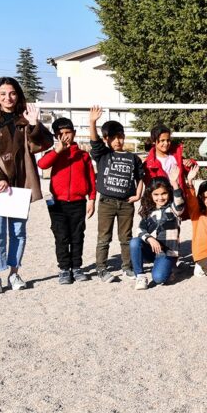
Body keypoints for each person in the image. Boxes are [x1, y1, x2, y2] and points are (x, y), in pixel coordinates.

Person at [0, 77, 53, 294]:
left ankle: (15, 272)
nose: (8, 98)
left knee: (18, 231)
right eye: (3, 94)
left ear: (17, 94)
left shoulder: (24, 119)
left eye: (12, 93)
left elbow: (43, 144)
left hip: (20, 182)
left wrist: (35, 123)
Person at [88, 105, 143, 283]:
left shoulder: (133, 158)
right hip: (106, 202)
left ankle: (127, 266)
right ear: (106, 139)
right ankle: (101, 269)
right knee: (104, 237)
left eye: (120, 137)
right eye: (113, 138)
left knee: (126, 237)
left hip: (126, 203)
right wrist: (92, 121)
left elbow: (140, 177)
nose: (117, 141)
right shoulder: (103, 154)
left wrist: (138, 195)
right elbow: (94, 141)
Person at [38, 117, 95, 285]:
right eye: (61, 134)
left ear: (74, 133)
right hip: (57, 203)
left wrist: (91, 199)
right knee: (61, 236)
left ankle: (76, 267)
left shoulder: (83, 155)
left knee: (77, 235)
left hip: (78, 202)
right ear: (56, 136)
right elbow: (42, 165)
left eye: (68, 133)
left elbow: (91, 178)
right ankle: (64, 269)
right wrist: (58, 150)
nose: (65, 137)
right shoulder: (54, 154)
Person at [130, 172, 188, 289]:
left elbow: (179, 204)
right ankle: (140, 276)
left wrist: (175, 184)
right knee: (134, 242)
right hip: (152, 249)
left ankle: (170, 266)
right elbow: (140, 229)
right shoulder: (149, 211)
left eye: (164, 193)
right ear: (150, 195)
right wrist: (150, 238)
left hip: (167, 251)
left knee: (159, 278)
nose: (160, 198)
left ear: (169, 193)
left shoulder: (173, 209)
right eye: (156, 194)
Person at [142, 124, 193, 205]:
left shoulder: (176, 157)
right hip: (160, 200)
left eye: (168, 140)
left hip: (177, 196)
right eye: (162, 140)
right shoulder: (148, 164)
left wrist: (189, 164)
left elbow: (191, 170)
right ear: (153, 141)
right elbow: (149, 186)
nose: (166, 143)